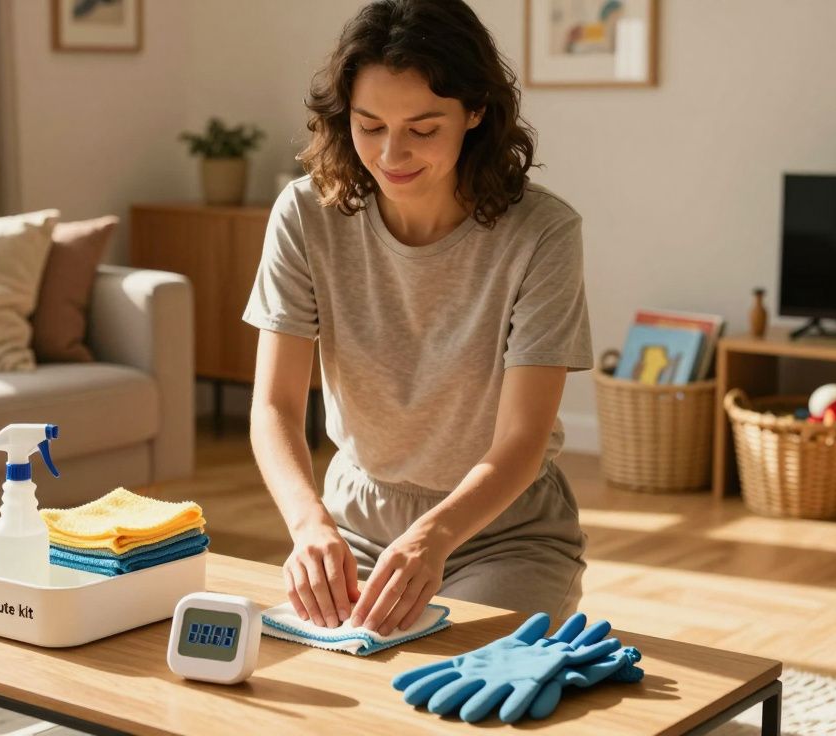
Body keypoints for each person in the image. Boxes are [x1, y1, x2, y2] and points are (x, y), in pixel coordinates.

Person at [242, 0, 594, 637]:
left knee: (458, 686)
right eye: (369, 125)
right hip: (354, 526)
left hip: (503, 532)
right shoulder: (304, 214)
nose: (391, 153)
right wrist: (307, 523)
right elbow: (273, 405)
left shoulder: (544, 233)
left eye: (423, 128)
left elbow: (523, 438)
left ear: (476, 112)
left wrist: (431, 539)